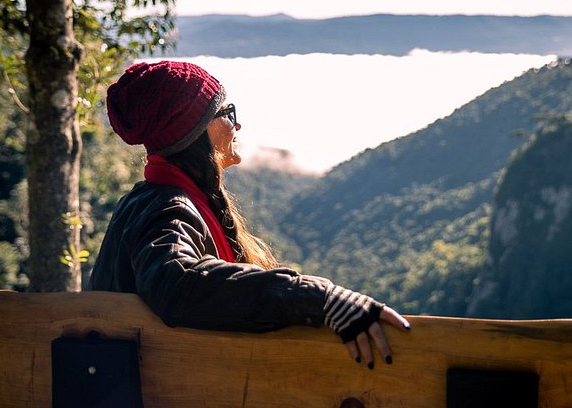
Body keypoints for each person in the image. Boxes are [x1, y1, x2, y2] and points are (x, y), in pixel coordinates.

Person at [89, 60, 409, 368]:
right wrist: (320, 298)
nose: (237, 124)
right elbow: (175, 281)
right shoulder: (168, 209)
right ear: (196, 132)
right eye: (227, 113)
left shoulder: (147, 199)